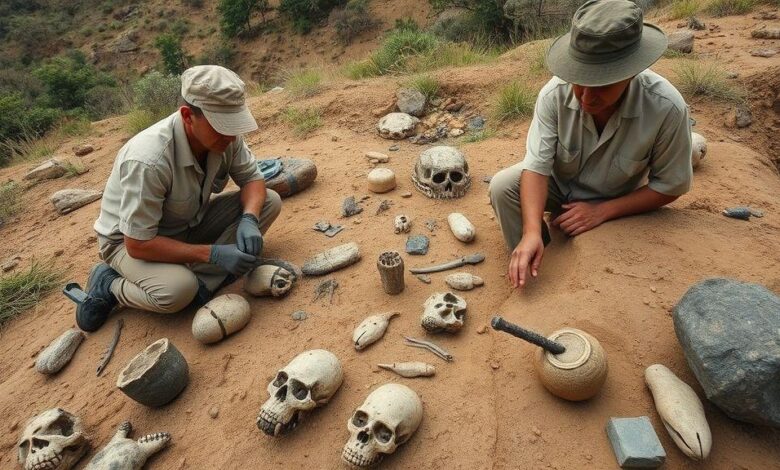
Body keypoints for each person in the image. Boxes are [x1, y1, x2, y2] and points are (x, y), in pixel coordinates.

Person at [489, 0, 692, 290]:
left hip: (615, 195)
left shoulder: (667, 108)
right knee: (502, 186)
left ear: (631, 73)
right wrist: (531, 230)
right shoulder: (553, 95)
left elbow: (671, 185)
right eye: (579, 80)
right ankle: (538, 271)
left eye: (601, 85)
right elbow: (536, 167)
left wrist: (603, 211)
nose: (585, 97)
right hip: (559, 185)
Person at [76, 65, 281, 332]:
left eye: (234, 124)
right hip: (128, 242)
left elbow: (252, 180)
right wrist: (214, 254)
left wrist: (250, 219)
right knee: (177, 291)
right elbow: (138, 244)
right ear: (187, 115)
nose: (231, 136)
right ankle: (110, 284)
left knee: (269, 202)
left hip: (187, 223)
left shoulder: (226, 137)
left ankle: (201, 282)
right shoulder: (148, 160)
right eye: (221, 126)